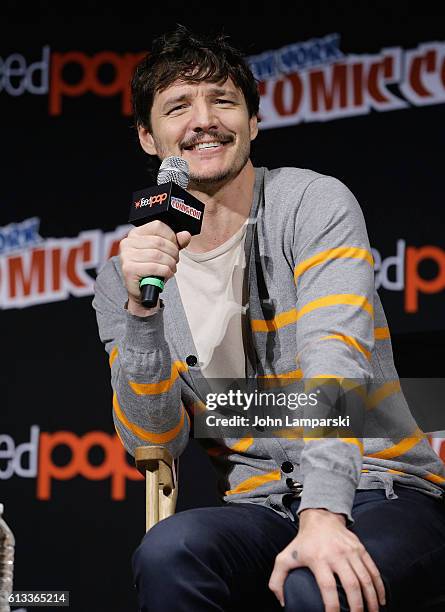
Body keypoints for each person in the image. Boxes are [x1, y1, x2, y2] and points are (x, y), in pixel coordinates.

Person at [93, 25, 445, 612]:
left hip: (381, 490)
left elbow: (335, 364)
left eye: (223, 101)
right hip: (259, 511)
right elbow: (154, 438)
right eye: (178, 106)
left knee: (317, 585)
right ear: (148, 139)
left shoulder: (312, 203)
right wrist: (141, 311)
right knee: (167, 551)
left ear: (253, 124)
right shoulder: (124, 275)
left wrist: (325, 514)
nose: (204, 119)